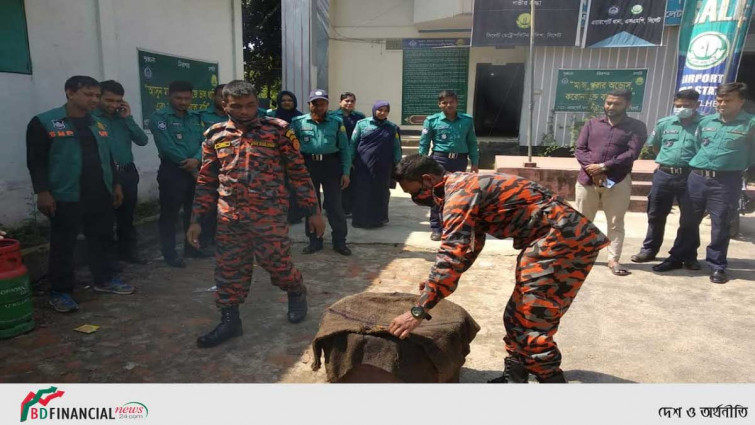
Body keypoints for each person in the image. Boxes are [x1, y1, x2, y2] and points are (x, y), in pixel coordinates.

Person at [387, 154, 609, 383]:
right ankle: (515, 375)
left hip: (562, 243)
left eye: (413, 192)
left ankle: (551, 380)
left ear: (427, 180)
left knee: (531, 320)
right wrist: (435, 286)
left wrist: (418, 310)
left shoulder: (460, 196)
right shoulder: (461, 184)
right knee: (515, 315)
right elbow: (469, 247)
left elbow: (452, 254)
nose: (415, 198)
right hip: (551, 242)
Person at [187, 80, 325, 348]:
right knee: (228, 271)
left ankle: (296, 291)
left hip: (269, 216)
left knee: (278, 265)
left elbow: (298, 174)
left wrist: (313, 212)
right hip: (230, 218)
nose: (245, 111)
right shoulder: (215, 136)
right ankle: (230, 320)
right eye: (237, 106)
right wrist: (196, 220)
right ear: (224, 105)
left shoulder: (278, 131)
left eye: (251, 105)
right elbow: (206, 181)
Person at [26, 76, 134, 313]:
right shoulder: (45, 122)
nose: (94, 99)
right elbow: (36, 162)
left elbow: (109, 157)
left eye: (96, 95)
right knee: (64, 245)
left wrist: (115, 185)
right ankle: (61, 292)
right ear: (70, 93)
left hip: (100, 193)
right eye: (88, 94)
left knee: (103, 239)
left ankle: (104, 279)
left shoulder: (99, 123)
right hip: (66, 195)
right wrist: (43, 192)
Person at [658, 82, 755, 284]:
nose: (721, 104)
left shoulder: (750, 124)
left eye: (728, 100)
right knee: (688, 221)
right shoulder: (706, 122)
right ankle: (678, 257)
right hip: (697, 178)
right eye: (719, 100)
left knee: (720, 224)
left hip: (726, 180)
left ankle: (717, 266)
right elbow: (698, 145)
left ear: (741, 101)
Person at [574, 89, 646, 277]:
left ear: (627, 105)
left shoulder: (636, 127)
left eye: (616, 104)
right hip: (587, 180)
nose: (611, 107)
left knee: (615, 222)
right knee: (583, 221)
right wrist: (593, 169)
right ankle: (580, 257)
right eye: (608, 103)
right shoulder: (592, 124)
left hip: (617, 181)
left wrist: (604, 167)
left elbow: (632, 153)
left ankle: (613, 259)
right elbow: (580, 148)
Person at [630, 90, 701, 269]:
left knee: (690, 218)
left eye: (687, 106)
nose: (682, 109)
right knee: (655, 213)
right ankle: (649, 249)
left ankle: (688, 254)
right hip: (664, 174)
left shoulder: (705, 125)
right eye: (678, 106)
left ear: (697, 105)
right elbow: (656, 146)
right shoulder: (664, 123)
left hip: (691, 175)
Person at [149, 80, 208, 268]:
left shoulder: (194, 117)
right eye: (178, 98)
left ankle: (192, 248)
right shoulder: (159, 118)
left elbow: (205, 142)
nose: (183, 102)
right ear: (169, 96)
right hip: (173, 171)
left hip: (196, 167)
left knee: (193, 212)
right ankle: (169, 253)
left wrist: (197, 160)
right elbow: (166, 146)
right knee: (170, 214)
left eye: (187, 98)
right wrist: (191, 167)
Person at [291, 89, 353, 256]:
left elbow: (344, 149)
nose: (318, 107)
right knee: (311, 205)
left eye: (322, 103)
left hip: (330, 165)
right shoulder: (298, 122)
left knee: (334, 205)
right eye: (315, 103)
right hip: (308, 165)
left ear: (327, 105)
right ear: (309, 104)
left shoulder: (336, 122)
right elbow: (290, 149)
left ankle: (340, 242)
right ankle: (314, 241)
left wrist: (346, 172)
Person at [94, 80, 149, 264]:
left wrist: (128, 118)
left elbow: (142, 140)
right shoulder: (92, 119)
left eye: (118, 101)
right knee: (104, 220)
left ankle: (128, 253)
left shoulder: (123, 119)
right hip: (103, 175)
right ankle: (108, 260)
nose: (114, 105)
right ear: (99, 97)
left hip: (127, 173)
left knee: (127, 216)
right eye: (109, 100)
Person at [418, 90, 479, 241]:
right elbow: (424, 144)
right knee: (437, 193)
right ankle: (436, 228)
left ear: (457, 103)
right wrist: (421, 164)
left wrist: (475, 162)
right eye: (444, 102)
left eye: (451, 101)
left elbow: (472, 142)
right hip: (439, 160)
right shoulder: (432, 121)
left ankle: (453, 226)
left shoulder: (466, 120)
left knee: (458, 194)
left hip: (460, 160)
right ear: (439, 104)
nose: (448, 105)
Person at [350, 100, 402, 228]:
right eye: (380, 110)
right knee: (362, 191)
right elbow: (353, 144)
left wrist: (398, 164)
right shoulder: (362, 124)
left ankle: (378, 219)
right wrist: (349, 161)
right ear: (374, 110)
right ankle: (359, 220)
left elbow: (396, 147)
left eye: (385, 110)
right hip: (363, 164)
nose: (382, 113)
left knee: (381, 191)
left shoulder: (392, 127)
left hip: (383, 166)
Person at [272, 90, 306, 224]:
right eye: (284, 100)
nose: (287, 103)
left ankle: (294, 215)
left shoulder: (300, 118)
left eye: (290, 100)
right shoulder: (272, 117)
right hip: (275, 156)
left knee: (294, 186)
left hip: (294, 156)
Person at [332, 92, 366, 218]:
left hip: (355, 154)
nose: (349, 103)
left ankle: (350, 208)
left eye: (352, 101)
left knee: (352, 182)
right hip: (336, 154)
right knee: (336, 182)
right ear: (340, 102)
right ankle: (335, 207)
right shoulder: (333, 116)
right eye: (346, 101)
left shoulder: (360, 117)